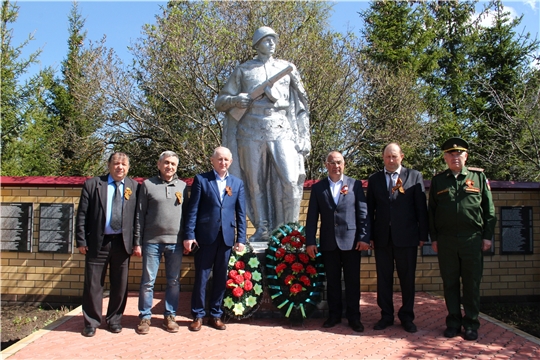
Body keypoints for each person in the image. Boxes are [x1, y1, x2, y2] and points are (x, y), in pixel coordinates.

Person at [215, 26, 310, 242]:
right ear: (257, 44)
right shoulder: (243, 70)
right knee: (254, 183)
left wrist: (304, 137)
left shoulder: (288, 68)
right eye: (267, 40)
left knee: (290, 179)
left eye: (273, 39)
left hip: (282, 128)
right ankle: (263, 228)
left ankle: (290, 230)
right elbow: (220, 101)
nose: (272, 43)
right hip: (249, 131)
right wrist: (235, 100)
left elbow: (302, 103)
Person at [428, 137, 496, 341]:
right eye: (450, 154)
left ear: (466, 156)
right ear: (445, 158)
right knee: (449, 283)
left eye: (459, 154)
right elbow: (431, 212)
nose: (455, 157)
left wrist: (487, 237)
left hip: (472, 240)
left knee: (471, 284)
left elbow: (489, 210)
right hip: (447, 241)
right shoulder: (439, 181)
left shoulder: (478, 178)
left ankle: (471, 324)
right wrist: (435, 238)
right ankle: (453, 322)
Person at [366, 143, 429, 333]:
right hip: (382, 238)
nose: (391, 160)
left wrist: (422, 234)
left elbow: (421, 209)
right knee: (384, 279)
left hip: (407, 238)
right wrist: (368, 235)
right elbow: (369, 210)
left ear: (401, 156)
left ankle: (407, 317)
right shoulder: (375, 179)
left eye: (394, 156)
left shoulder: (414, 176)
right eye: (387, 157)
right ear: (383, 158)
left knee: (407, 279)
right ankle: (386, 316)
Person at [305, 151, 370, 332]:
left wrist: (364, 237)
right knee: (332, 281)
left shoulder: (355, 185)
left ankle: (354, 318)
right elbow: (311, 218)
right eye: (332, 163)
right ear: (326, 165)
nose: (336, 166)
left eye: (339, 162)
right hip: (328, 242)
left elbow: (362, 213)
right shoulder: (318, 188)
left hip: (351, 242)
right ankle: (333, 316)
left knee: (352, 282)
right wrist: (310, 241)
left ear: (344, 164)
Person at [183, 146, 247, 331]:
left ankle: (216, 315)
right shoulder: (201, 180)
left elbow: (240, 214)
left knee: (220, 278)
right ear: (212, 160)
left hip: (226, 238)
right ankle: (197, 315)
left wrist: (240, 238)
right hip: (204, 237)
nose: (223, 163)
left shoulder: (237, 183)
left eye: (226, 160)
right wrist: (189, 235)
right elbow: (192, 210)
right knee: (201, 278)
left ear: (231, 162)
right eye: (219, 159)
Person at [75, 152, 139, 337]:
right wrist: (81, 240)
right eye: (117, 163)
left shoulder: (134, 187)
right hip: (98, 243)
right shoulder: (93, 184)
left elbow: (137, 218)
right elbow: (82, 215)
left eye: (124, 164)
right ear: (109, 165)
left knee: (120, 284)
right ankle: (91, 322)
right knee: (93, 284)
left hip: (122, 243)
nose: (120, 167)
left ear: (128, 167)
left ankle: (114, 320)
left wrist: (136, 242)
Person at [134, 151, 188, 335]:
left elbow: (188, 216)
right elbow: (139, 215)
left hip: (176, 243)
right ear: (159, 164)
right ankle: (144, 317)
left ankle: (170, 316)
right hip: (152, 242)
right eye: (166, 163)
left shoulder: (183, 186)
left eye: (173, 164)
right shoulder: (148, 185)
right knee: (148, 282)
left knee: (173, 281)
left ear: (177, 167)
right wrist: (137, 242)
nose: (169, 167)